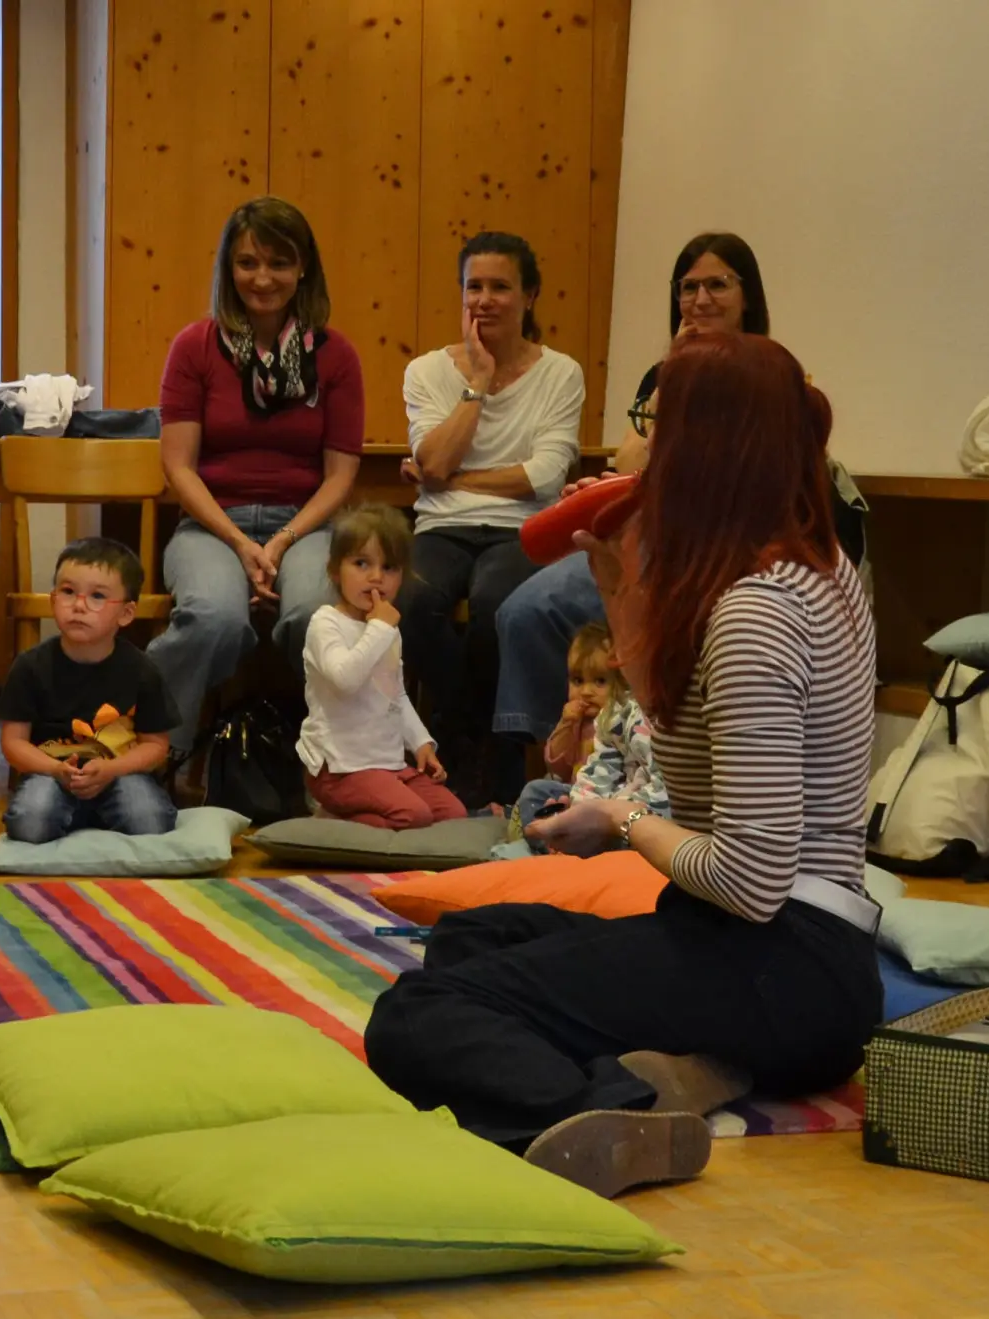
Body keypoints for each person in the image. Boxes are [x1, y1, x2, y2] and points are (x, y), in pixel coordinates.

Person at [363, 332, 882, 1201]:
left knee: (420, 1016)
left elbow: (751, 881)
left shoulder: (756, 615)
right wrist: (622, 594)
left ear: (700, 450)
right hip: (766, 955)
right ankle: (698, 1066)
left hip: (784, 963)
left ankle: (618, 1102)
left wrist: (623, 821)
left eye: (649, 420)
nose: (629, 445)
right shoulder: (816, 567)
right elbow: (698, 751)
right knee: (470, 937)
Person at [493, 233, 867, 767]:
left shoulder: (772, 375)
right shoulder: (663, 372)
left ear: (748, 296)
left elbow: (757, 846)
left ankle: (623, 782)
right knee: (523, 607)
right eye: (688, 287)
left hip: (716, 544)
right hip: (657, 528)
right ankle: (555, 767)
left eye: (717, 284)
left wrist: (630, 823)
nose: (701, 299)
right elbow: (633, 463)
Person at [147, 198, 365, 756]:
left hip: (308, 527)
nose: (262, 279)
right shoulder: (194, 347)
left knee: (316, 617)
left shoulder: (335, 355)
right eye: (247, 263)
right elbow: (178, 466)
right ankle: (149, 753)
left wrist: (283, 540)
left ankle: (329, 764)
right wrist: (241, 542)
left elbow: (340, 476)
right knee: (212, 619)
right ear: (228, 269)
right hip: (211, 527)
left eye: (278, 263)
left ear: (303, 270)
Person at [397, 231, 585, 807]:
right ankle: (470, 741)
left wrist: (449, 477)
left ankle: (477, 757)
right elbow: (432, 459)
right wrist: (476, 385)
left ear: (529, 296)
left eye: (499, 287)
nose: (483, 300)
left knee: (494, 605)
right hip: (440, 526)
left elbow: (545, 477)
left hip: (523, 527)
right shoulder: (428, 371)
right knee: (411, 602)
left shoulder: (560, 373)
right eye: (473, 287)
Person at [0, 539, 180, 844]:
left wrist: (111, 769)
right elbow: (13, 743)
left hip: (119, 773)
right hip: (51, 774)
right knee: (30, 824)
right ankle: (82, 818)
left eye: (97, 596)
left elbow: (156, 746)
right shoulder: (30, 666)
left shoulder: (141, 669)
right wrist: (55, 769)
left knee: (152, 821)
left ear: (126, 613)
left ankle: (86, 819)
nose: (79, 605)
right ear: (53, 598)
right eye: (68, 592)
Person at [298, 505, 461, 830]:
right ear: (334, 570)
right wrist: (380, 629)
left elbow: (396, 696)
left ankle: (366, 814)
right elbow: (345, 680)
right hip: (340, 769)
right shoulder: (326, 623)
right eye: (361, 563)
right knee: (415, 816)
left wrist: (421, 743)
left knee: (451, 814)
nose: (376, 577)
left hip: (388, 764)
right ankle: (333, 817)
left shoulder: (385, 628)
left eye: (389, 568)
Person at [508, 621, 668, 843]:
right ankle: (547, 843)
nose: (586, 691)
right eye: (577, 681)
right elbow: (557, 766)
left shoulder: (632, 720)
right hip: (582, 792)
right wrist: (566, 725)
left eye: (600, 681)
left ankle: (554, 841)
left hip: (622, 804)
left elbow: (634, 782)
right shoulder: (589, 721)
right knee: (536, 791)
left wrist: (601, 812)